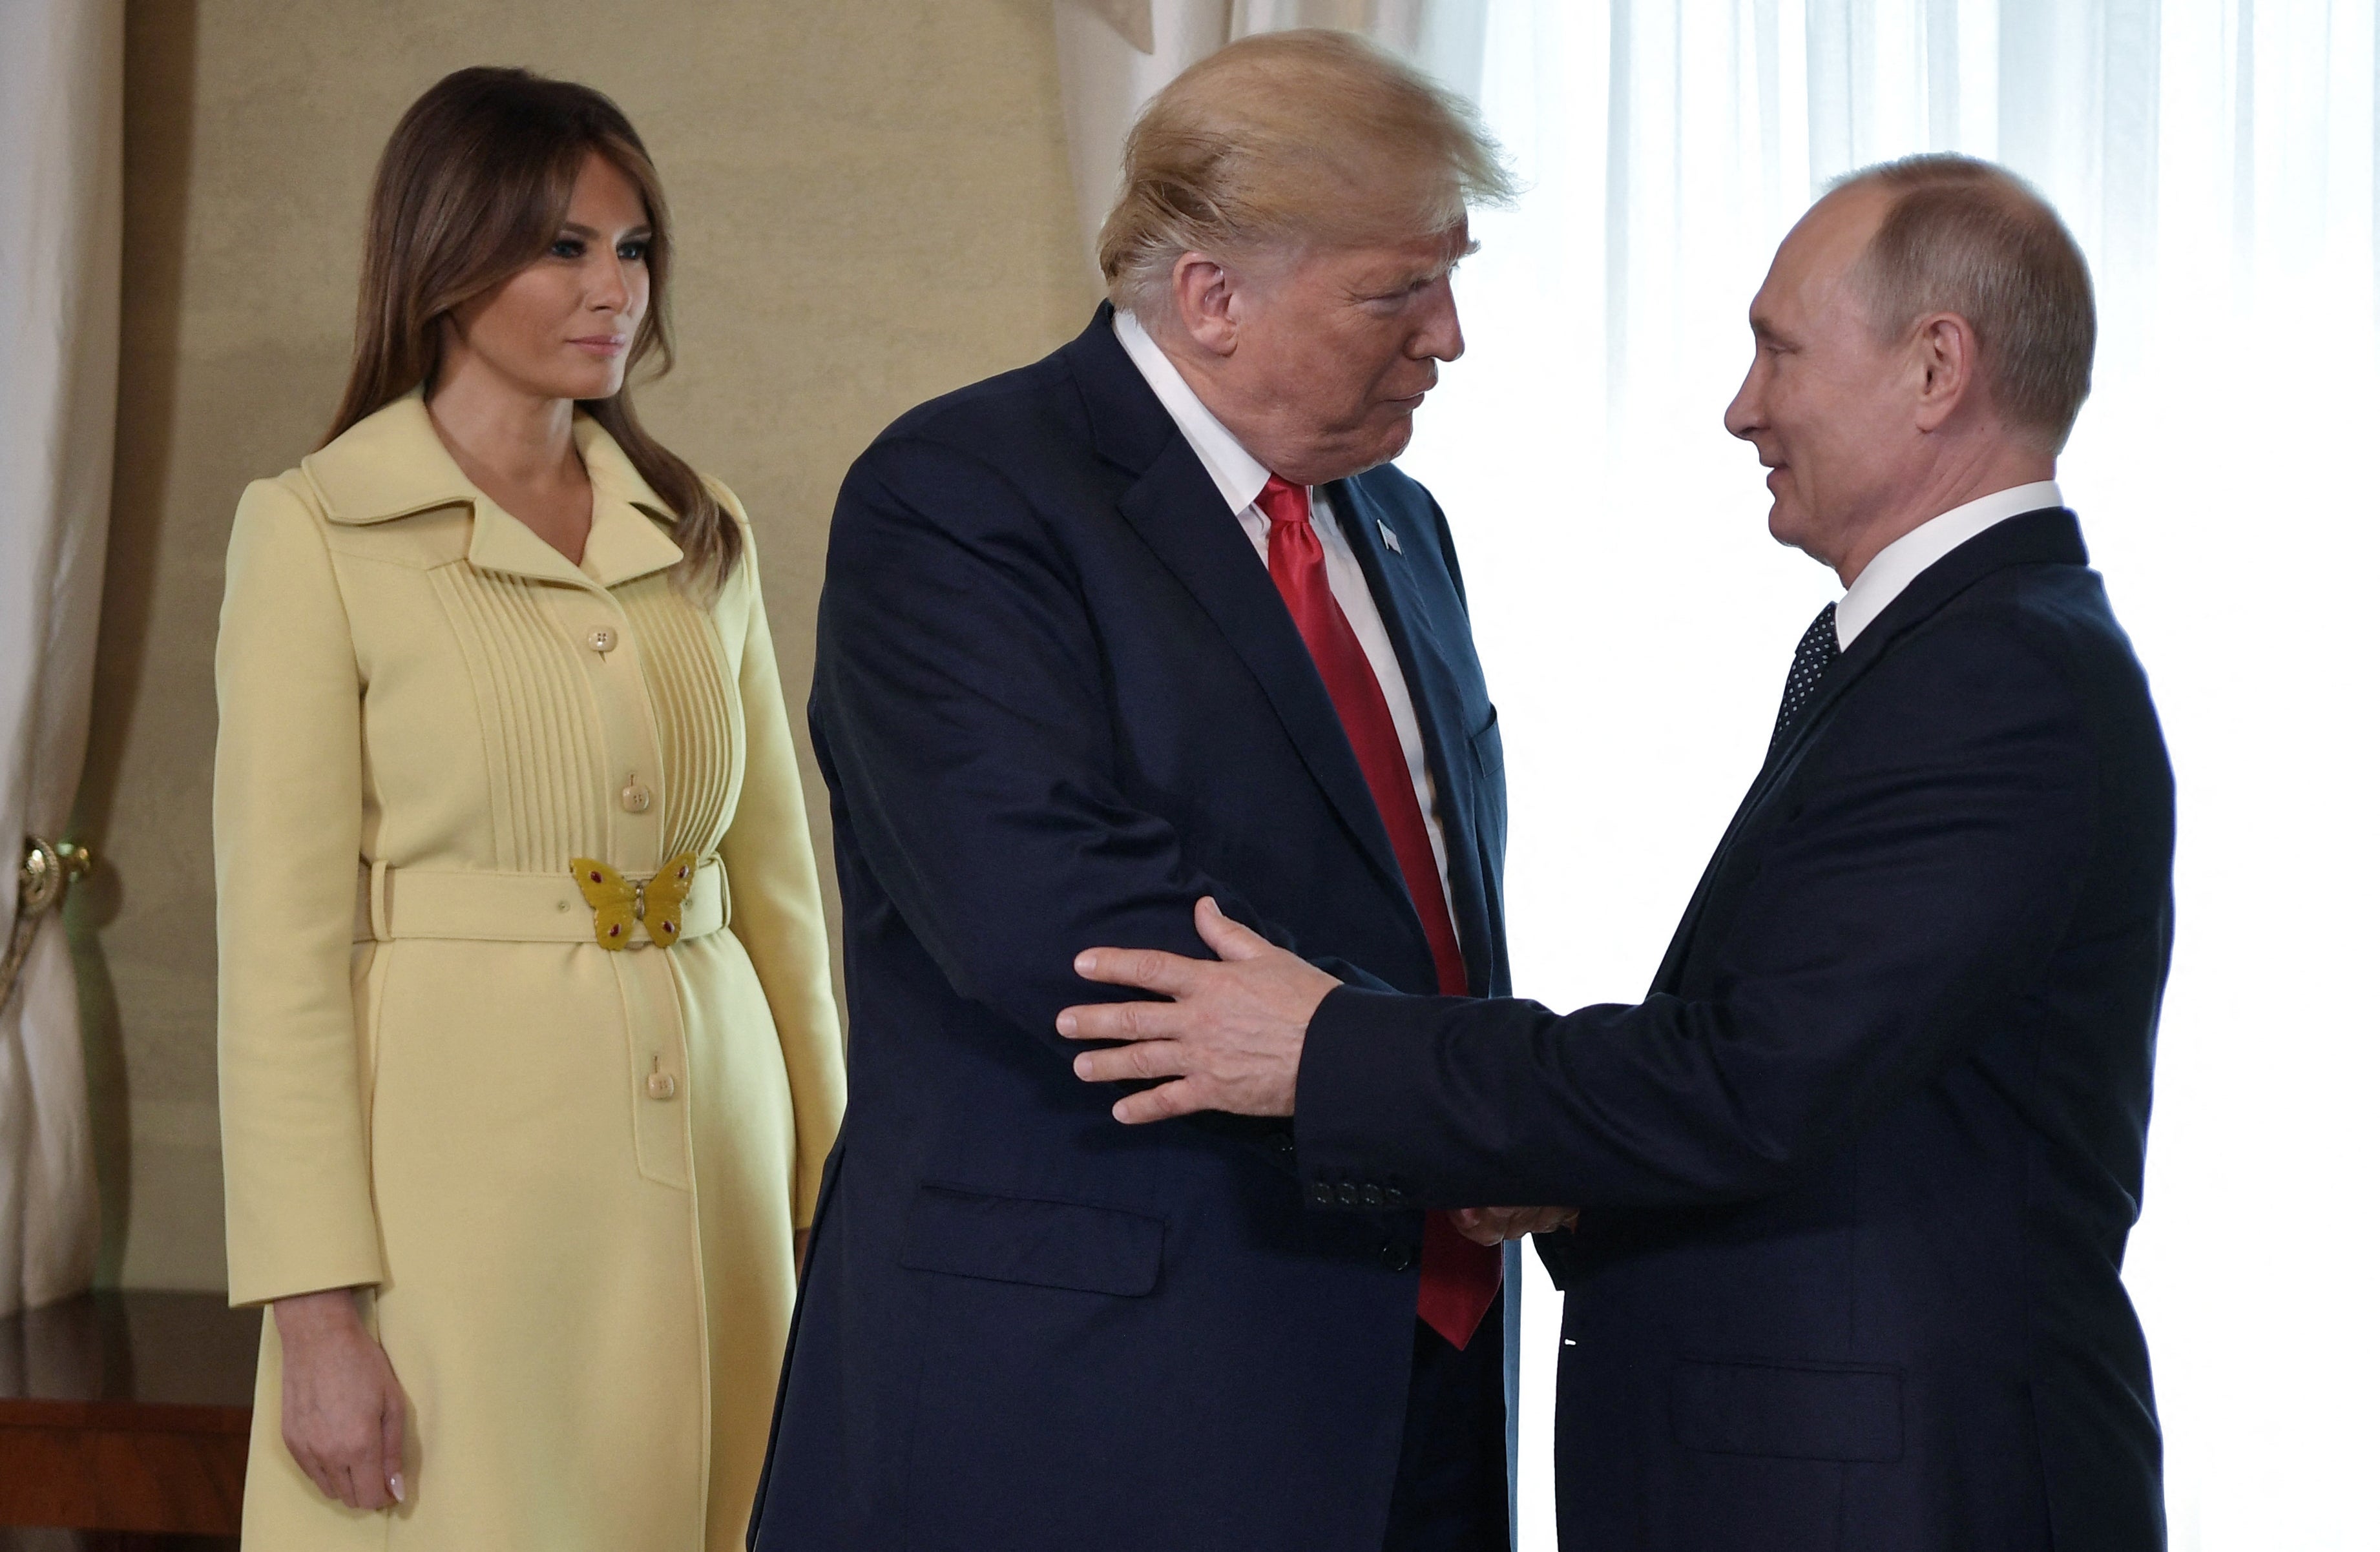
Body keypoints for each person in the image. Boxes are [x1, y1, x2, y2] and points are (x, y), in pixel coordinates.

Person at [1061, 154, 2173, 1551]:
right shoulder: (1966, 650)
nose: (1742, 407)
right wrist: (1569, 1167)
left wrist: (1325, 1047)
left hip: (1888, 1495)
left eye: (1778, 349)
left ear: (1937, 366)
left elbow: (1755, 1076)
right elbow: (1826, 1069)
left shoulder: (1999, 678)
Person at [746, 30, 1529, 1552]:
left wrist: (1480, 1116)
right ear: (1212, 297)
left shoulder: (1406, 526)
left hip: (1413, 1384)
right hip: (1098, 1398)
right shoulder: (959, 499)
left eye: (1454, 275)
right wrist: (1474, 1105)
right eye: (1397, 290)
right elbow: (1062, 925)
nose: (1448, 336)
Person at [213, 67, 844, 1551]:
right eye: (563, 245)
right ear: (445, 252)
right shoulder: (315, 531)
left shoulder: (704, 529)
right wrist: (316, 1320)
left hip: (722, 1169)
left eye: (634, 250)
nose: (612, 286)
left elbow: (784, 900)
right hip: (462, 1195)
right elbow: (280, 957)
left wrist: (840, 1196)